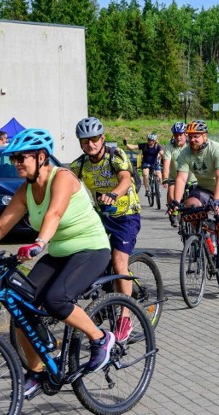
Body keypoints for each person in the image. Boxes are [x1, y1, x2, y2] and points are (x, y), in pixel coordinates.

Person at [0, 128, 114, 398]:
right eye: (13, 158)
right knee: (20, 307)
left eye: (20, 158)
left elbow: (55, 212)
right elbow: (1, 225)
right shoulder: (25, 190)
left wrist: (39, 243)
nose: (15, 163)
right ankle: (37, 372)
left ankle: (100, 338)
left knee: (56, 299)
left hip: (91, 248)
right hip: (60, 252)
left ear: (40, 157)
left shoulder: (62, 178)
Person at [70, 117, 141, 342]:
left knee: (120, 261)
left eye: (94, 139)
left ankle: (125, 316)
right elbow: (65, 183)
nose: (90, 145)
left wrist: (113, 194)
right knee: (89, 256)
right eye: (85, 141)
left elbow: (125, 180)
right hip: (100, 217)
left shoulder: (115, 155)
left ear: (102, 139)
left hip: (125, 215)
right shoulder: (80, 164)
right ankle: (104, 301)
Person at [172, 120, 219, 290]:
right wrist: (175, 202)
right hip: (203, 188)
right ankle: (205, 237)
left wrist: (217, 201)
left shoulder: (216, 149)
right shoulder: (185, 153)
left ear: (204, 136)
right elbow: (180, 178)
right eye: (190, 136)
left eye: (196, 136)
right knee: (190, 207)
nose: (193, 139)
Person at [162, 123, 192, 227]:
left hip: (191, 178)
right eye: (176, 135)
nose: (178, 137)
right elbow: (166, 162)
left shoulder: (190, 145)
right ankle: (174, 213)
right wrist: (165, 178)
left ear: (186, 134)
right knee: (171, 193)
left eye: (181, 134)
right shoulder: (169, 146)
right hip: (174, 177)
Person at [124, 133, 164, 197]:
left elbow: (162, 153)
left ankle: (158, 189)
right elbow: (133, 147)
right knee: (145, 174)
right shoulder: (144, 145)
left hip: (154, 163)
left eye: (150, 140)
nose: (148, 141)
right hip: (146, 163)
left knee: (159, 175)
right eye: (148, 139)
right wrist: (125, 143)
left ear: (154, 141)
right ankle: (147, 190)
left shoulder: (158, 147)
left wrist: (164, 157)